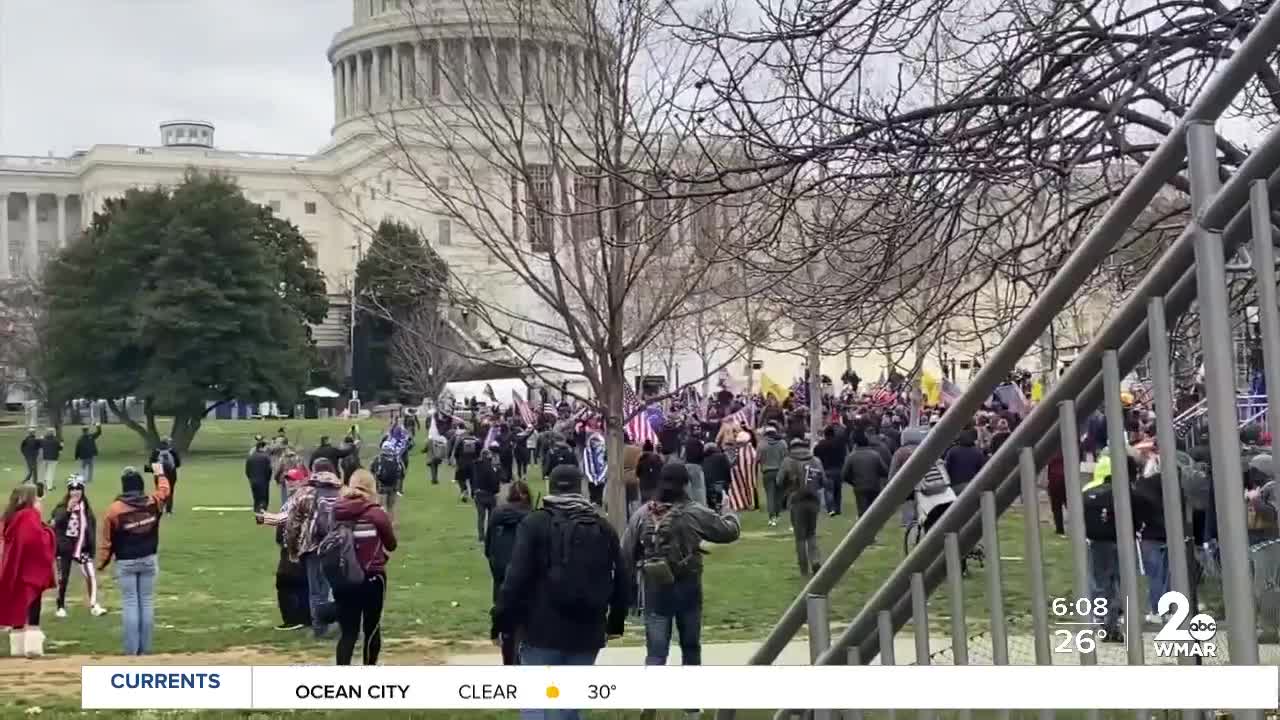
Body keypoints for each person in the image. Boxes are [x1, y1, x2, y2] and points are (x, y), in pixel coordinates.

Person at [493, 465, 629, 720]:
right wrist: (615, 623)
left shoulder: (534, 523)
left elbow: (515, 578)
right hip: (588, 628)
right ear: (581, 489)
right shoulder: (603, 526)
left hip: (540, 628)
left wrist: (501, 621)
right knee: (568, 706)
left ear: (549, 488)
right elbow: (622, 577)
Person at [623, 463, 741, 667]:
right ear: (686, 485)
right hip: (688, 587)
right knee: (690, 648)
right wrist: (727, 510)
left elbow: (626, 551)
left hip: (655, 588)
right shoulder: (695, 512)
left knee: (656, 653)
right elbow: (729, 531)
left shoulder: (643, 514)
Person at [97, 464, 171, 655]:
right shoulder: (152, 502)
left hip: (126, 562)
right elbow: (164, 490)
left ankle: (131, 651)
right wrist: (159, 472)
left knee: (130, 603)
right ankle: (145, 649)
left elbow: (107, 540)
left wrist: (102, 563)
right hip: (148, 558)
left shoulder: (114, 510)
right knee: (146, 602)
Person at [332, 469, 397, 665]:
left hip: (344, 577)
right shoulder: (376, 513)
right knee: (372, 628)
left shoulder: (337, 511)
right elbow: (391, 544)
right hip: (372, 576)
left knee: (348, 632)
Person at [280, 458, 343, 639]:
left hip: (313, 548)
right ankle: (346, 623)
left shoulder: (304, 494)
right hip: (338, 546)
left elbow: (292, 525)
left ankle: (319, 628)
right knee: (339, 588)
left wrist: (292, 550)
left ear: (313, 471)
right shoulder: (343, 491)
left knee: (316, 592)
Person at [1, 484, 56, 658]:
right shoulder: (30, 516)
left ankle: (17, 644)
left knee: (18, 604)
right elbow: (35, 540)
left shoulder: (11, 518)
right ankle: (32, 644)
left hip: (13, 566)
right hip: (30, 568)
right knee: (33, 603)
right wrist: (48, 530)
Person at [485, 480, 532, 665]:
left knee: (506, 626)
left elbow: (488, 548)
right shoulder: (532, 518)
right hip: (527, 580)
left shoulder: (497, 516)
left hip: (501, 577)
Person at [50, 475, 107, 618]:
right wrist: (68, 510)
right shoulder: (61, 506)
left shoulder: (86, 508)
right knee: (64, 577)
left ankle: (94, 605)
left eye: (78, 489)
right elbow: (56, 523)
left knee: (91, 575)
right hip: (64, 548)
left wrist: (90, 547)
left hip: (82, 548)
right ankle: (60, 605)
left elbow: (91, 529)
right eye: (73, 489)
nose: (75, 492)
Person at [778, 438, 824, 576]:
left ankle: (804, 568)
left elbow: (779, 481)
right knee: (811, 533)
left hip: (796, 501)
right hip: (813, 500)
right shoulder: (815, 460)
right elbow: (823, 480)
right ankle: (815, 560)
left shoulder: (788, 461)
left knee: (800, 537)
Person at [842, 431, 889, 520]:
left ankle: (863, 528)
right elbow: (884, 471)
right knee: (873, 510)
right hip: (874, 486)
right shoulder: (875, 455)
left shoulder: (852, 456)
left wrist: (853, 482)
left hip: (859, 487)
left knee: (862, 511)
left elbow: (844, 474)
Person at [757, 425, 788, 526]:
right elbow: (786, 457)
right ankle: (778, 515)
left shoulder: (762, 444)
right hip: (780, 471)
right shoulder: (782, 443)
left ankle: (771, 517)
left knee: (770, 495)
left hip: (767, 472)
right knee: (779, 495)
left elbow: (757, 459)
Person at [472, 443, 503, 543]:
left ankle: (481, 537)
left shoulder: (476, 466)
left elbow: (473, 479)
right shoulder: (492, 468)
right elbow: (496, 482)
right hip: (490, 495)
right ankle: (490, 535)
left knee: (480, 517)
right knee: (491, 517)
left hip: (479, 494)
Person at [814, 426, 846, 516]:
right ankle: (838, 508)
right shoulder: (839, 444)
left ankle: (831, 509)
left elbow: (816, 457)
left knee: (828, 490)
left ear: (825, 434)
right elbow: (844, 455)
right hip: (838, 469)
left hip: (826, 470)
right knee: (838, 490)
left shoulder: (820, 445)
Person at [943, 428, 985, 497]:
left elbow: (946, 468)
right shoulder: (978, 452)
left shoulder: (952, 451)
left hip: (955, 486)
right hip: (972, 486)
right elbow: (981, 470)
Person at [370, 441, 405, 517]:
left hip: (381, 486)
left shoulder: (378, 459)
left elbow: (372, 470)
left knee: (379, 506)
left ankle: (380, 523)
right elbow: (402, 473)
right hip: (393, 486)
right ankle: (391, 524)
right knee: (391, 507)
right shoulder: (397, 459)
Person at [146, 438, 181, 515]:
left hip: (158, 470)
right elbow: (178, 464)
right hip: (171, 472)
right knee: (170, 490)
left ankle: (159, 508)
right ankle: (168, 510)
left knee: (159, 490)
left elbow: (151, 464)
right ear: (168, 443)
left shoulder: (156, 451)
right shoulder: (172, 451)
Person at [700, 443, 732, 511]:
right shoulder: (722, 456)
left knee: (712, 504)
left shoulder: (703, 460)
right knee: (720, 501)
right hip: (721, 483)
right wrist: (729, 482)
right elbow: (728, 469)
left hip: (708, 484)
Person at [246, 440, 274, 513]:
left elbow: (247, 470)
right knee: (264, 498)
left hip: (253, 481)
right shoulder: (266, 457)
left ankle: (256, 509)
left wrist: (250, 478)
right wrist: (268, 479)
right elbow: (269, 470)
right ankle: (262, 511)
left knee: (256, 497)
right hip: (263, 481)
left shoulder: (250, 457)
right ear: (262, 447)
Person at [455, 429, 482, 502]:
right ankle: (474, 493)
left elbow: (456, 453)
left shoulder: (461, 441)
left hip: (462, 463)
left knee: (461, 479)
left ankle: (464, 490)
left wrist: (458, 461)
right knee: (473, 479)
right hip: (473, 463)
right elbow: (480, 452)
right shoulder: (477, 442)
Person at [583, 432, 607, 506]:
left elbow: (607, 463)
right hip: (591, 477)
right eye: (593, 441)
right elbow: (586, 463)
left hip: (601, 476)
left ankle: (598, 503)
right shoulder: (587, 450)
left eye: (596, 441)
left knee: (599, 493)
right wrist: (591, 477)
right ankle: (593, 502)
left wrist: (601, 477)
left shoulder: (605, 450)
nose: (595, 443)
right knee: (592, 493)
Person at [39, 428, 64, 498]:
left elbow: (40, 446)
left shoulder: (43, 440)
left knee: (45, 472)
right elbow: (60, 448)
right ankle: (49, 487)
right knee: (51, 472)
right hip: (53, 458)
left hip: (45, 457)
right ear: (53, 433)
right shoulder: (56, 440)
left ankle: (44, 484)